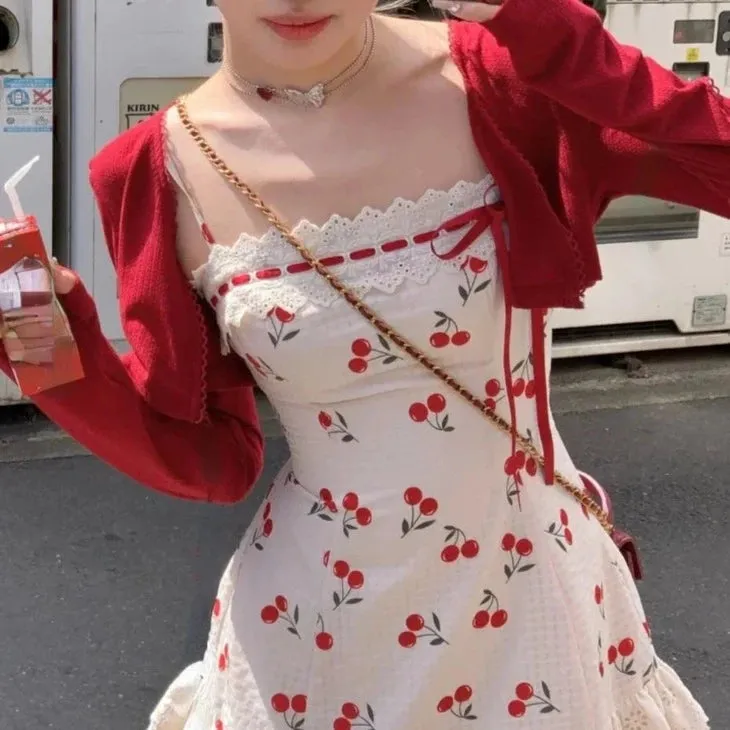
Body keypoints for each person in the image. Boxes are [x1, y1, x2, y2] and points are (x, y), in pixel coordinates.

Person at [1, 0, 729, 726]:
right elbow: (210, 460)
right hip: (315, 637)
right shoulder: (153, 172)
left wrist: (552, 33)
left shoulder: (501, 79)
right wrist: (54, 350)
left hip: (534, 614)